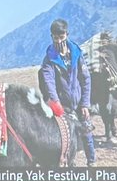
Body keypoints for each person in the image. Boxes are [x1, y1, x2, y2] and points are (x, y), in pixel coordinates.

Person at [39, 19, 96, 166]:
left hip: (79, 102)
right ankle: (71, 165)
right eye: (55, 37)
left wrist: (85, 103)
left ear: (67, 34)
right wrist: (56, 103)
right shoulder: (49, 60)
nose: (59, 40)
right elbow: (49, 81)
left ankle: (92, 162)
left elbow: (85, 79)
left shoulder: (77, 54)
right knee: (69, 136)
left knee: (87, 132)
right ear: (51, 37)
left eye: (61, 37)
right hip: (63, 105)